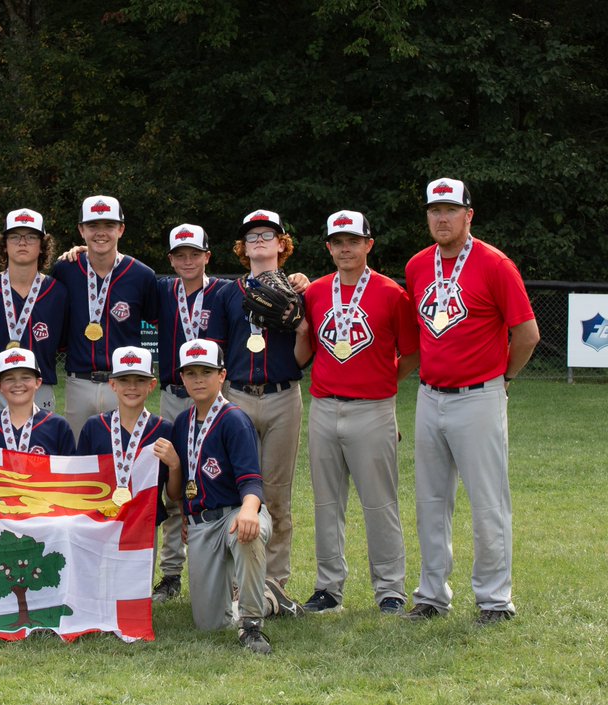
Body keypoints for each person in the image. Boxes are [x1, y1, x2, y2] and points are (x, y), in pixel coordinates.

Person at [403, 178, 539, 625]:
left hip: (479, 395)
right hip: (429, 395)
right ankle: (431, 595)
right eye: (434, 210)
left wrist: (505, 377)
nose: (442, 218)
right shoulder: (418, 265)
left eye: (450, 209)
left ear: (468, 215)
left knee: (488, 502)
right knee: (431, 500)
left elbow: (527, 334)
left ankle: (495, 600)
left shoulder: (495, 264)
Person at [293, 210, 419, 615]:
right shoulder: (314, 292)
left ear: (369, 244)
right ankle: (328, 588)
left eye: (353, 240)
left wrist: (382, 386)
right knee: (327, 503)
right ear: (328, 247)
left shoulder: (390, 293)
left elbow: (412, 353)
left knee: (380, 503)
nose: (345, 248)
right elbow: (305, 351)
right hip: (324, 407)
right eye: (337, 242)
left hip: (373, 410)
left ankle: (390, 589)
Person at [155, 339, 279, 654]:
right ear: (181, 378)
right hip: (201, 523)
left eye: (206, 372)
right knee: (209, 624)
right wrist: (174, 466)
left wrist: (249, 512)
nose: (198, 380)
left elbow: (252, 483)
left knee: (245, 534)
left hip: (237, 512)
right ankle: (270, 600)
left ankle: (252, 624)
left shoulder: (234, 420)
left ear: (222, 375)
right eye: (191, 373)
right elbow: (176, 493)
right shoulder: (182, 424)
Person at [205, 209, 304, 590]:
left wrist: (300, 314)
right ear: (242, 248)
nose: (260, 241)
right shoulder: (228, 292)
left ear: (282, 244)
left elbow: (303, 352)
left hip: (282, 396)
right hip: (238, 397)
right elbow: (218, 349)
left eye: (268, 235)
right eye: (252, 237)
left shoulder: (298, 289)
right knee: (237, 490)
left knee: (277, 495)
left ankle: (275, 582)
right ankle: (239, 581)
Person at [152, 223, 226, 603]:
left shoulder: (224, 292)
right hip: (172, 395)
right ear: (170, 259)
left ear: (207, 256)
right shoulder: (163, 291)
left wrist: (295, 277)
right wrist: (77, 253)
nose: (187, 260)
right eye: (179, 255)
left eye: (194, 254)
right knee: (172, 481)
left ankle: (215, 568)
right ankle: (170, 573)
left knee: (211, 481)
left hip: (212, 397)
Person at [52, 195, 159, 437]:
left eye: (109, 226)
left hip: (124, 382)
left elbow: (156, 320)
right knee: (78, 461)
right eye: (93, 226)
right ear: (81, 230)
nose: (101, 233)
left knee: (125, 455)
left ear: (121, 229)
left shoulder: (142, 275)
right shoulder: (65, 270)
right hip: (78, 381)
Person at [0, 208, 67, 420]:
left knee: (39, 450)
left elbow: (63, 343)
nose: (22, 242)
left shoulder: (58, 292)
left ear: (42, 245)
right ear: (4, 245)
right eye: (15, 236)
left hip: (40, 386)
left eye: (31, 236)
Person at [76, 346, 176, 556]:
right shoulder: (94, 427)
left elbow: (174, 494)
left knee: (137, 587)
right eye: (124, 380)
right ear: (112, 384)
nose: (132, 387)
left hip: (144, 524)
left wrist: (175, 465)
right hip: (99, 523)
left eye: (140, 380)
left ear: (152, 385)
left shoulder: (163, 430)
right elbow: (80, 484)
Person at [0, 348, 76, 455]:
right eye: (9, 379)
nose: (18, 384)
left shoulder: (57, 426)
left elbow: (69, 469)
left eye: (25, 378)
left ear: (38, 382)